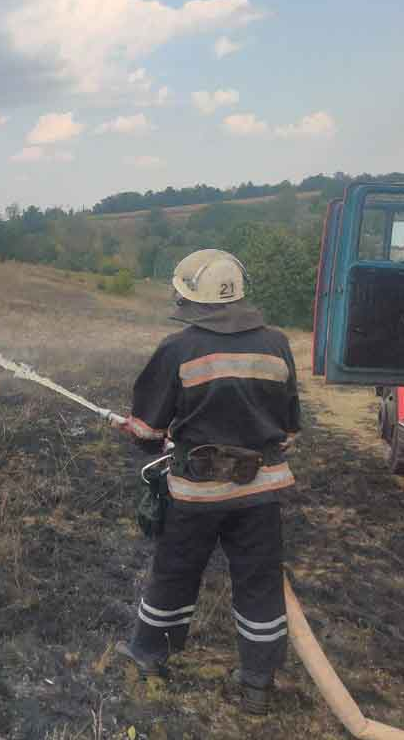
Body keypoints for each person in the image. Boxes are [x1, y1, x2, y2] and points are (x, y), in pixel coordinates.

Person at [114, 249, 301, 715]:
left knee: (175, 574)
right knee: (259, 585)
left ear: (190, 297)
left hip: (195, 496)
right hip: (260, 493)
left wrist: (138, 432)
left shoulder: (178, 349)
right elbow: (290, 429)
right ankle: (258, 682)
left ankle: (149, 654)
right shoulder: (277, 344)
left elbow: (148, 434)